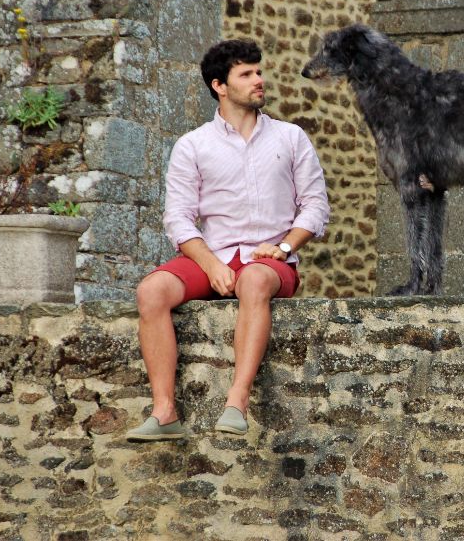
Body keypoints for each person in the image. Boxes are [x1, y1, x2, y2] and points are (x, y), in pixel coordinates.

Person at [126, 39, 330, 441]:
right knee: (151, 291)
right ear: (220, 85)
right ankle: (165, 412)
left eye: (259, 71)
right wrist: (212, 265)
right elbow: (179, 218)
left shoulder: (290, 138)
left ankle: (236, 403)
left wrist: (285, 247)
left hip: (271, 262)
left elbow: (315, 207)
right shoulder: (193, 145)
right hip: (214, 257)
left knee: (254, 279)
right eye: (247, 74)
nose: (259, 80)